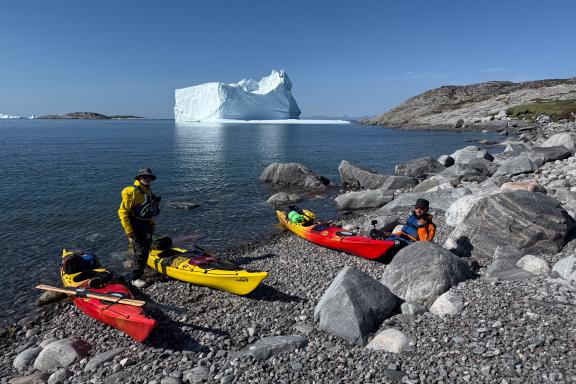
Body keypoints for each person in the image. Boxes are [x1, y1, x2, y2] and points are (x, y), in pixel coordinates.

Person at [118, 168, 161, 288]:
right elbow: (122, 212)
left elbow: (150, 211)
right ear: (139, 178)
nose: (147, 179)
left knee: (145, 248)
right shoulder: (131, 191)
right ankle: (135, 278)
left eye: (149, 178)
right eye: (144, 177)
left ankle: (141, 269)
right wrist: (129, 231)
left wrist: (152, 225)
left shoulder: (148, 192)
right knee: (140, 251)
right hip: (135, 226)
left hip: (146, 225)